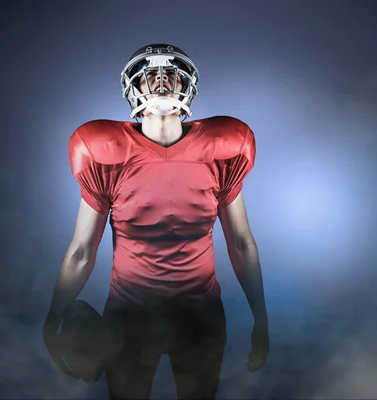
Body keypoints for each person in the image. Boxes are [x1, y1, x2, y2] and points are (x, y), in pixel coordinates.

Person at [43, 43, 269, 399]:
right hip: (129, 314)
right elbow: (82, 250)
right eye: (151, 75)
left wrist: (261, 316)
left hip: (200, 312)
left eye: (171, 74)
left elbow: (241, 242)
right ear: (134, 85)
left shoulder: (223, 148)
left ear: (188, 84)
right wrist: (53, 316)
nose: (162, 82)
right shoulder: (105, 154)